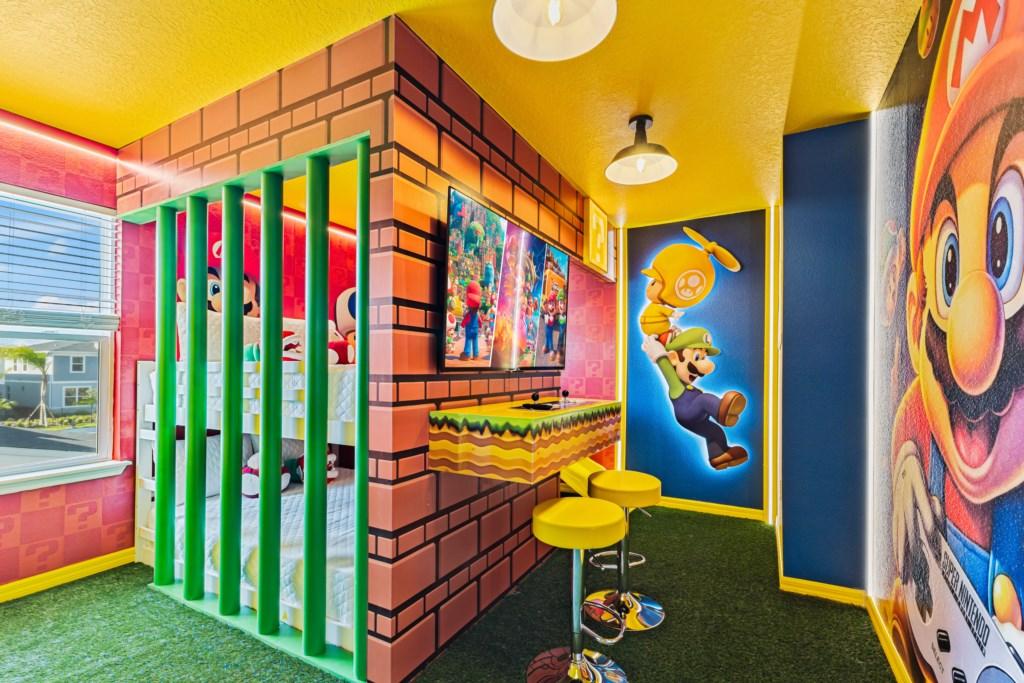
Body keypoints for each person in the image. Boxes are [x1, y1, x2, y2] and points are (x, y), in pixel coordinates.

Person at [642, 328, 747, 470]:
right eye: (697, 358)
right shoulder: (676, 386)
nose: (704, 368)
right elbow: (666, 367)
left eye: (703, 358)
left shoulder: (688, 386)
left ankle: (719, 455)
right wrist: (658, 353)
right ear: (674, 358)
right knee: (704, 399)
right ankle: (721, 412)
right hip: (687, 413)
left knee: (714, 431)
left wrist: (673, 334)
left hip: (695, 419)